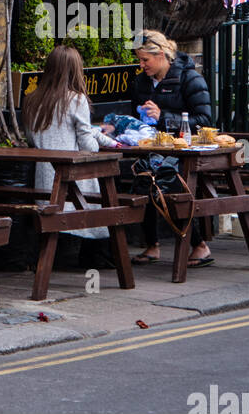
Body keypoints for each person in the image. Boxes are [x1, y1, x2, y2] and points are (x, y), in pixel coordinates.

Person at [23, 45, 119, 265]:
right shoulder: (75, 100)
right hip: (69, 180)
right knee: (103, 189)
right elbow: (88, 147)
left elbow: (32, 138)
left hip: (43, 179)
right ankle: (97, 257)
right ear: (76, 70)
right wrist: (99, 139)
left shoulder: (31, 100)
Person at [130, 31, 214, 268]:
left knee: (169, 183)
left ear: (162, 55)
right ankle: (152, 245)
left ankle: (199, 245)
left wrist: (164, 116)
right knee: (141, 178)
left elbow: (205, 121)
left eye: (145, 59)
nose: (141, 65)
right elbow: (133, 116)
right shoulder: (141, 82)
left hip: (187, 153)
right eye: (139, 59)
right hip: (153, 149)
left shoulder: (189, 79)